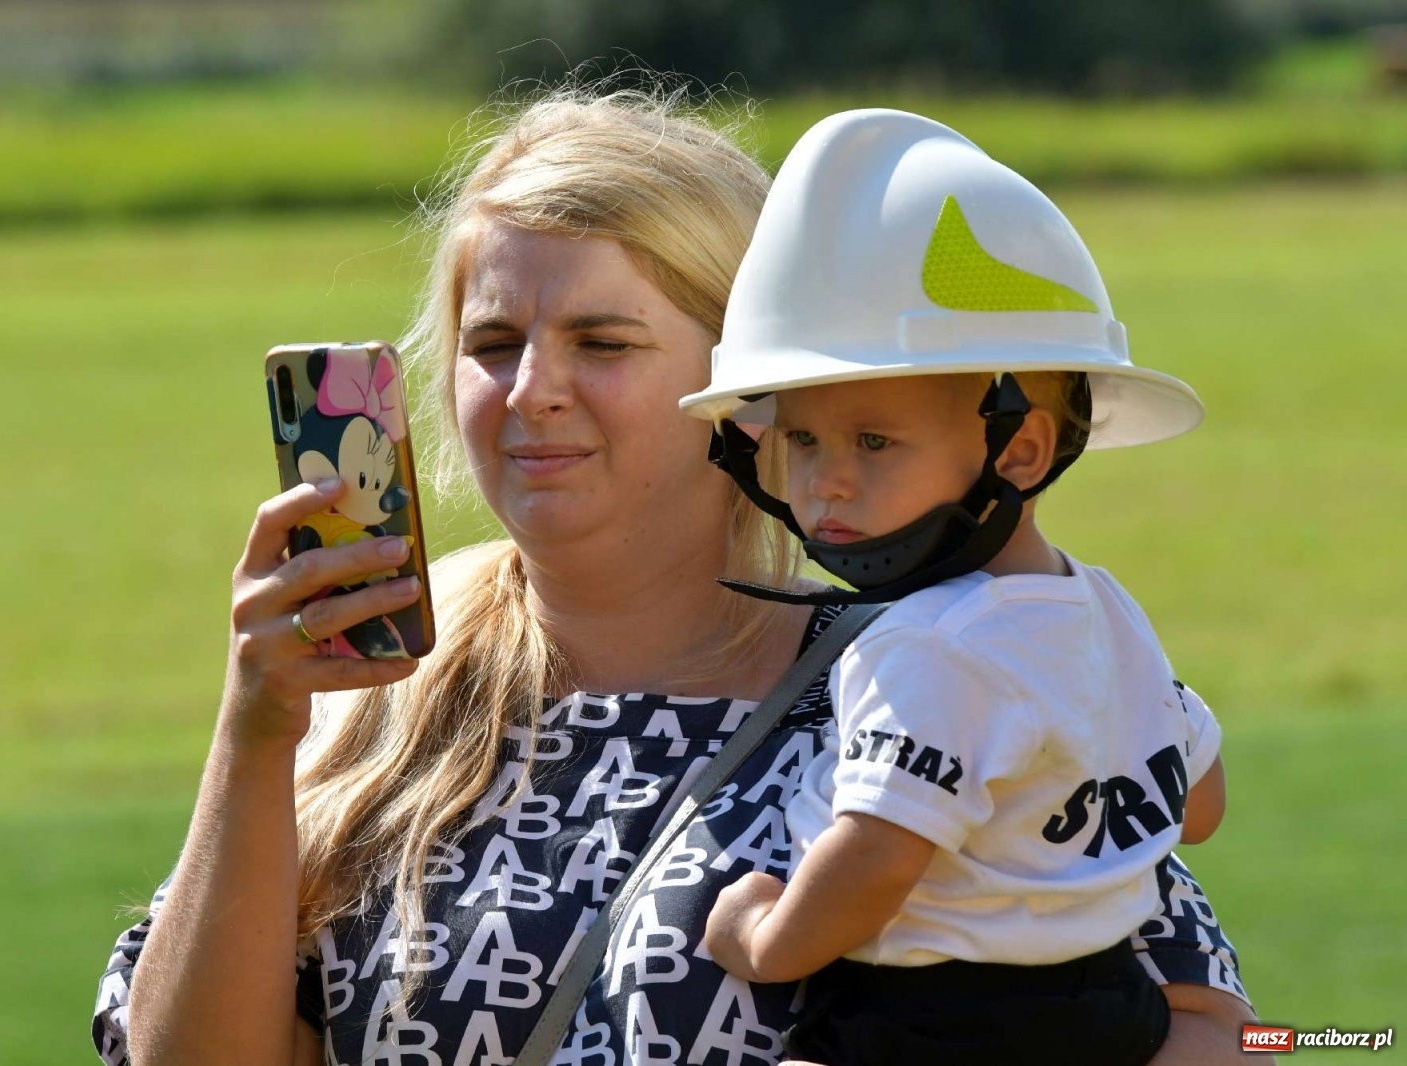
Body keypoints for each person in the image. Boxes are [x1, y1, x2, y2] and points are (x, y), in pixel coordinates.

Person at [92, 86, 1255, 1066]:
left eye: (601, 343)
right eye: (492, 345)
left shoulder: (942, 666)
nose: (531, 390)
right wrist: (256, 731)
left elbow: (1221, 1034)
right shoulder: (373, 691)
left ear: (756, 394)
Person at [685, 110, 1229, 1065]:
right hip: (1111, 1000)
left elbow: (878, 857)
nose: (827, 483)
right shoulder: (1106, 610)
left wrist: (765, 940)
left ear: (1019, 450)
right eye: (802, 438)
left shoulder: (926, 645)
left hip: (933, 1020)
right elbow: (1199, 804)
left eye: (874, 442)